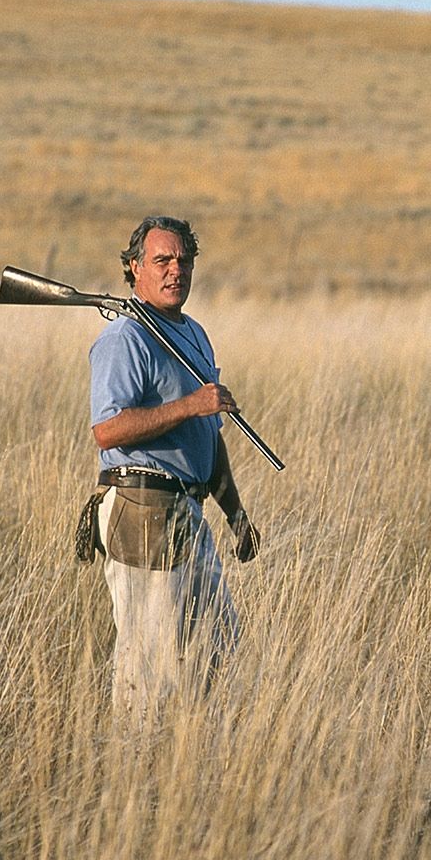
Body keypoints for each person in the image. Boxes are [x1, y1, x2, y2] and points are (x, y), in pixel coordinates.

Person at [89, 215, 259, 717]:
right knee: (148, 669)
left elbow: (210, 438)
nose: (175, 270)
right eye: (162, 260)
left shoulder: (195, 335)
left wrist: (236, 513)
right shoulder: (126, 338)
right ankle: (135, 775)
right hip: (143, 506)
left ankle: (194, 764)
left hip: (190, 509)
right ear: (134, 267)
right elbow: (108, 431)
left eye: (183, 260)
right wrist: (190, 405)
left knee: (219, 649)